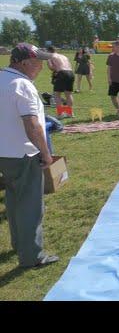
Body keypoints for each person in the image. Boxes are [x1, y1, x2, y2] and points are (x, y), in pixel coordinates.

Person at [0, 43, 59, 268]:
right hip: (23, 152)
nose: (41, 67)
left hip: (4, 152)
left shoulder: (2, 79)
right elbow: (32, 125)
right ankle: (31, 255)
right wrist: (45, 153)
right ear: (23, 62)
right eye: (38, 62)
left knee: (14, 200)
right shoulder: (22, 85)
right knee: (31, 206)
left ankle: (19, 243)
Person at [46, 46, 75, 112]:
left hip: (62, 73)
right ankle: (69, 113)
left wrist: (48, 63)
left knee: (57, 94)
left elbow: (51, 68)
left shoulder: (50, 56)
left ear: (48, 51)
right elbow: (69, 65)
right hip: (70, 73)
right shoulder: (63, 56)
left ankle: (60, 113)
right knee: (68, 94)